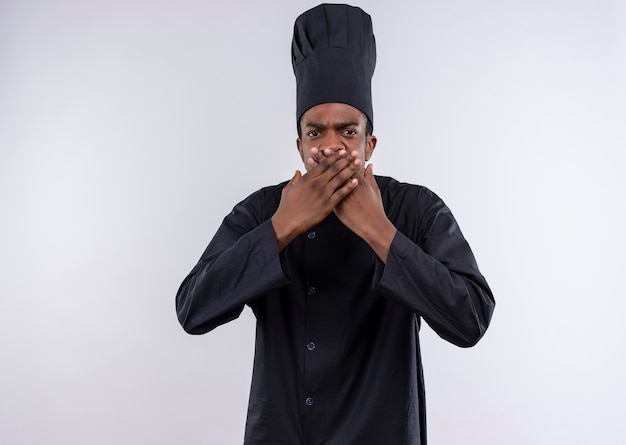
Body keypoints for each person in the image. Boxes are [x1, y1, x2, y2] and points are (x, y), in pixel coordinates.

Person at [176, 4, 495, 444]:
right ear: (299, 144)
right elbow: (192, 309)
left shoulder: (415, 209)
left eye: (347, 132)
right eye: (315, 132)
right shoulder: (263, 210)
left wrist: (380, 232)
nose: (331, 147)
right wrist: (282, 227)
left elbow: (471, 319)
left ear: (370, 142)